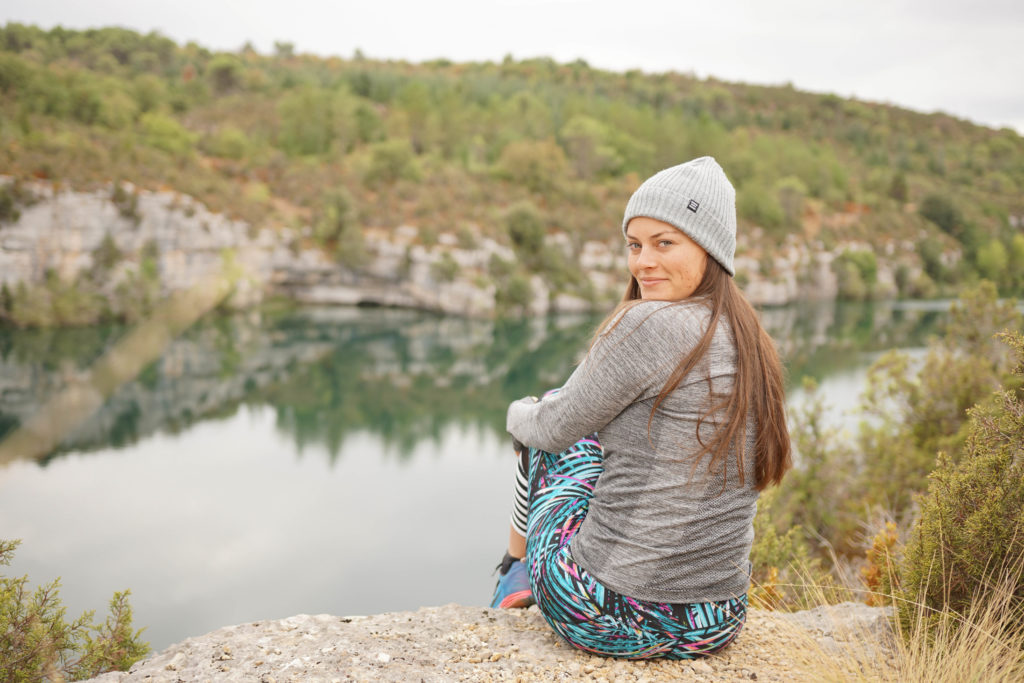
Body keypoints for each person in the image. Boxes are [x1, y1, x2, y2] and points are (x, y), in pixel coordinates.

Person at [489, 156, 792, 660]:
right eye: (635, 245)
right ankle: (518, 567)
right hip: (716, 620)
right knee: (582, 422)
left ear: (710, 247)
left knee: (549, 421)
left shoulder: (646, 323)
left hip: (606, 611)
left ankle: (513, 568)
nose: (642, 262)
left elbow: (555, 427)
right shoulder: (750, 337)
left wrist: (516, 413)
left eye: (664, 243)